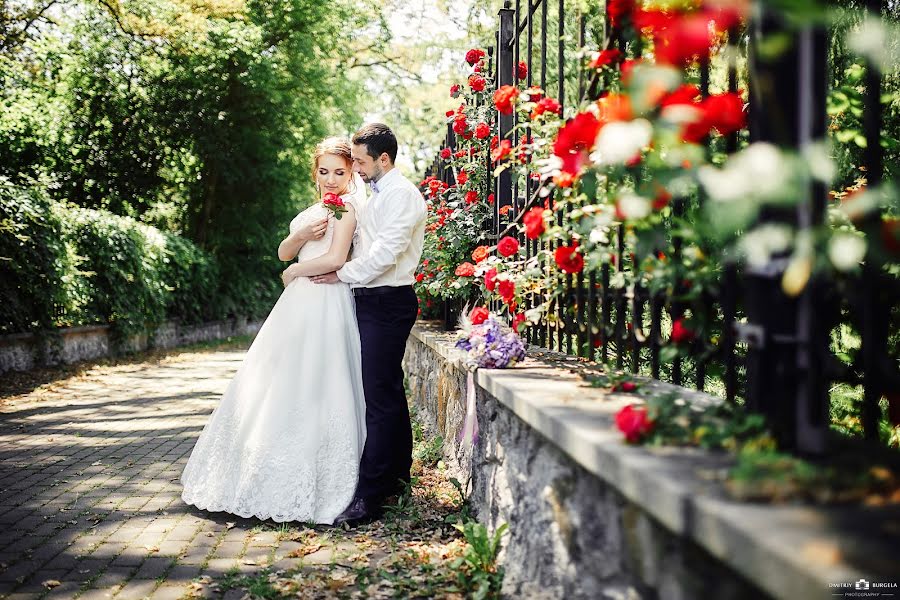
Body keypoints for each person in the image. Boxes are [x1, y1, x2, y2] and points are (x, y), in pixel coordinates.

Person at [180, 137, 368, 524]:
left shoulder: (348, 210)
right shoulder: (312, 210)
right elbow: (285, 250)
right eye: (324, 171)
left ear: (351, 174)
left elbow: (334, 258)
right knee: (278, 379)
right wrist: (301, 239)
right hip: (296, 304)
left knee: (321, 378)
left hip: (326, 298)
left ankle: (325, 482)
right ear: (315, 172)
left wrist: (297, 270)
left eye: (339, 172)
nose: (331, 179)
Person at [309, 123, 427, 526]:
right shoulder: (373, 193)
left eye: (359, 161)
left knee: (377, 398)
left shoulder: (404, 196)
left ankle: (370, 497)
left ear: (383, 159)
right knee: (386, 392)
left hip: (388, 301)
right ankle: (397, 476)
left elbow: (385, 256)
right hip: (367, 301)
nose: (354, 168)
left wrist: (339, 274)